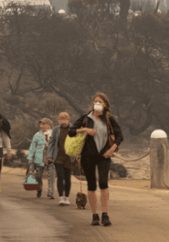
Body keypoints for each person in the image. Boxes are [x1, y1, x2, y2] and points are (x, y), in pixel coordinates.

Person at [70, 93, 124, 227]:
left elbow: (119, 135)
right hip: (87, 155)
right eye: (95, 101)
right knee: (92, 185)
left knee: (104, 183)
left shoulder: (109, 119)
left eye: (100, 101)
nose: (97, 103)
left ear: (105, 104)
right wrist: (85, 130)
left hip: (104, 155)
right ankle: (95, 215)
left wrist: (112, 149)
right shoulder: (86, 118)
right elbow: (71, 131)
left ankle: (105, 214)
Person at [47, 112, 77, 206]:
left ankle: (66, 197)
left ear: (68, 119)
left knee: (67, 177)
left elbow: (77, 142)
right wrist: (49, 155)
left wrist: (77, 155)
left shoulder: (73, 128)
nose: (63, 120)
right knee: (60, 176)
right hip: (58, 156)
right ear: (59, 119)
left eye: (65, 118)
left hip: (69, 157)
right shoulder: (56, 129)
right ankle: (61, 197)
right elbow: (51, 142)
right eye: (61, 118)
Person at [28, 118, 52, 199]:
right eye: (41, 124)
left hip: (49, 159)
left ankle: (50, 192)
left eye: (44, 124)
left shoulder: (52, 134)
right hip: (39, 159)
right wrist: (30, 158)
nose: (42, 126)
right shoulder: (37, 135)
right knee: (38, 176)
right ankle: (39, 189)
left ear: (49, 125)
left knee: (50, 176)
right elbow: (32, 147)